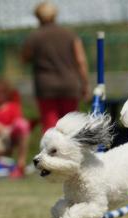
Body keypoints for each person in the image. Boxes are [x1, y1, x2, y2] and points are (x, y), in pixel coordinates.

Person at [22, 1, 90, 133]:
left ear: (37, 17)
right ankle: (72, 153)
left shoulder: (34, 36)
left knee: (50, 127)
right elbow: (81, 60)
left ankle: (52, 153)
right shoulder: (69, 34)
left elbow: (25, 58)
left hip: (46, 86)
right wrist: (85, 84)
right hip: (70, 84)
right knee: (71, 127)